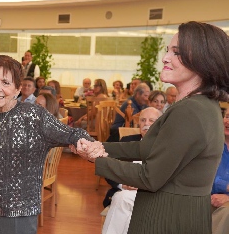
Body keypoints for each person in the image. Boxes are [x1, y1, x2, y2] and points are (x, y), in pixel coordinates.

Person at [77, 21, 229, 233]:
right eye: (168, 51)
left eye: (177, 53)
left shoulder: (190, 111)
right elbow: (145, 149)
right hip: (182, 213)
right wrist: (95, 144)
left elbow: (149, 177)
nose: (165, 58)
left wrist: (96, 158)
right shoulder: (202, 106)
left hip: (166, 217)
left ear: (203, 61)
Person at [0, 55, 94, 234]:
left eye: (5, 82)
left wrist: (86, 143)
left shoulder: (34, 116)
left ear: (17, 88)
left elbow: (72, 133)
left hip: (19, 211)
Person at [102, 107, 162, 234]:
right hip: (126, 191)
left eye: (152, 120)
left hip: (153, 195)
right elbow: (109, 168)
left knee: (121, 199)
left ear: (160, 124)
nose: (146, 124)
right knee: (123, 202)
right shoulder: (127, 141)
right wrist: (121, 184)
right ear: (138, 123)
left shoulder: (165, 146)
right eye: (143, 120)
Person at [211, 107, 229, 234]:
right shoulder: (210, 143)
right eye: (227, 117)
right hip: (205, 198)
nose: (228, 122)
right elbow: (201, 175)